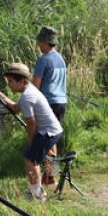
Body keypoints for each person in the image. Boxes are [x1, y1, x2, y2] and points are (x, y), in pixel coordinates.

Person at [0, 62, 64, 201]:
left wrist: (32, 142)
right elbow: (15, 108)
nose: (9, 84)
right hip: (55, 129)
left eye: (11, 81)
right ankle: (50, 179)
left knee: (30, 159)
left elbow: (31, 123)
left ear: (22, 81)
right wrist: (2, 97)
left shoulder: (27, 97)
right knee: (49, 154)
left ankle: (37, 193)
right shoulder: (29, 90)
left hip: (48, 132)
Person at [33, 26, 68, 184]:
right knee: (53, 139)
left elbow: (35, 86)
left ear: (46, 42)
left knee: (47, 139)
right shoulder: (60, 58)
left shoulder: (43, 60)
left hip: (48, 103)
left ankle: (50, 175)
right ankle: (50, 175)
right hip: (61, 102)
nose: (38, 45)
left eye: (40, 42)